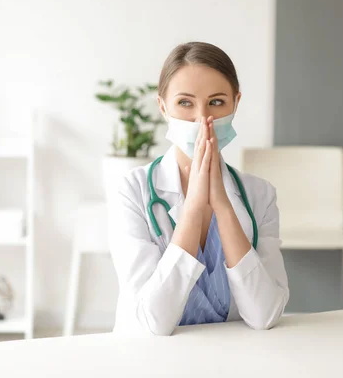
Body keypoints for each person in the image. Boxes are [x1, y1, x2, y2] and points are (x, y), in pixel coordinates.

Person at [109, 42, 289, 336]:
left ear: (236, 103)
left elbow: (264, 315)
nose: (202, 118)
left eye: (217, 102)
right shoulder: (132, 191)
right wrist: (193, 207)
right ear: (163, 107)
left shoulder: (260, 195)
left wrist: (222, 205)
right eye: (185, 102)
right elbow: (154, 322)